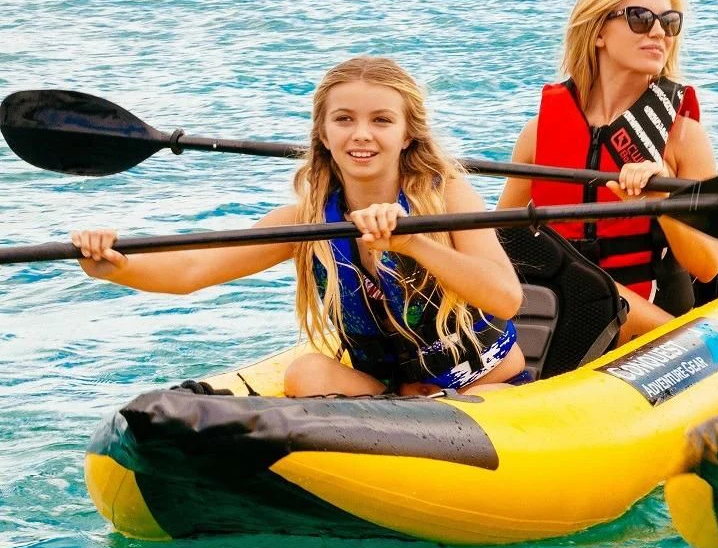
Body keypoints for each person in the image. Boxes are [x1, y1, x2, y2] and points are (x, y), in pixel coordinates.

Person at [71, 56, 526, 397]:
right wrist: (116, 265)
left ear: (407, 135)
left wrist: (415, 243)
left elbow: (506, 298)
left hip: (484, 387)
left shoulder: (444, 193)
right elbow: (193, 269)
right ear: (323, 136)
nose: (361, 134)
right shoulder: (307, 221)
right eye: (344, 120)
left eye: (381, 120)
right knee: (306, 373)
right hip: (393, 397)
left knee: (489, 400)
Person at [498, 0, 718, 340]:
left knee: (593, 293)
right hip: (559, 311)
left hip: (652, 327)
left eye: (669, 21)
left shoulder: (683, 136)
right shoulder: (540, 133)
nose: (657, 32)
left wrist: (662, 199)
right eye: (640, 18)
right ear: (598, 31)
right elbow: (500, 240)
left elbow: (708, 264)